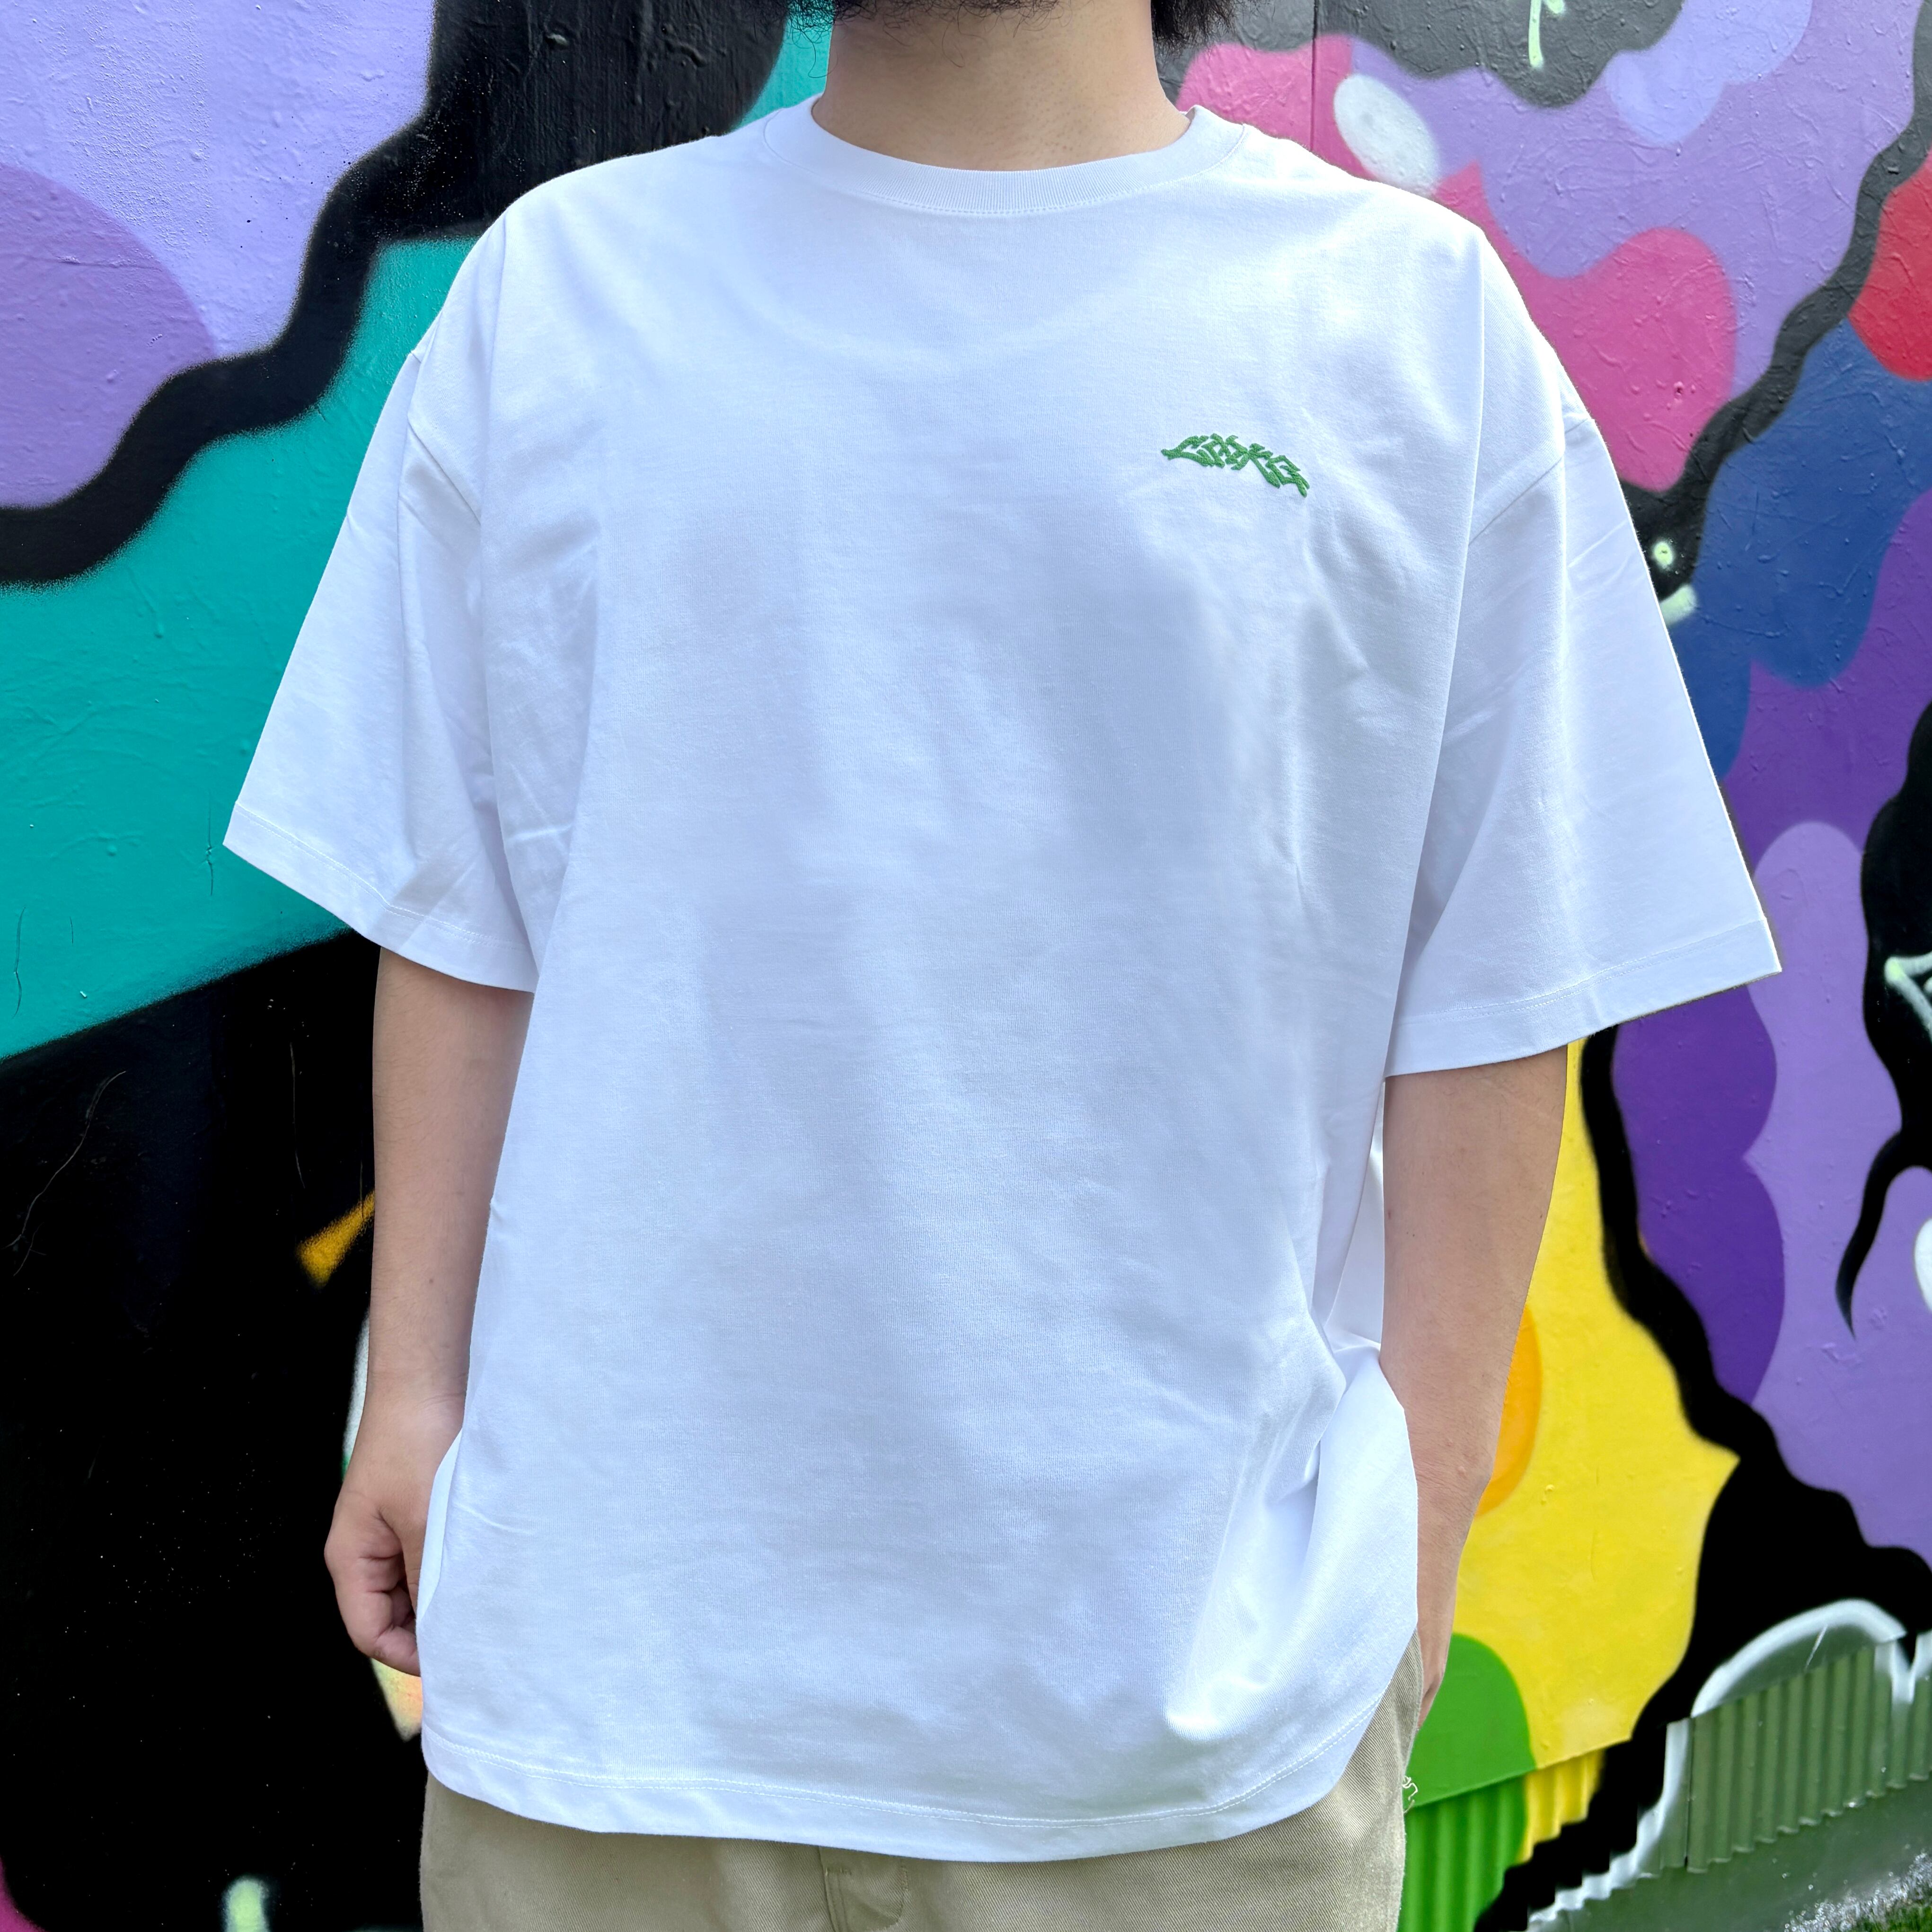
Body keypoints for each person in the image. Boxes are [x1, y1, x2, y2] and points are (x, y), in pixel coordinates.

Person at [224, 0, 1779, 1925]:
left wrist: (1418, 1514)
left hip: (1185, 1733)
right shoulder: (561, 297)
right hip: (607, 1695)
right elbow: (458, 909)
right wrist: (413, 1393)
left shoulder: (1403, 327)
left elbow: (1500, 972)